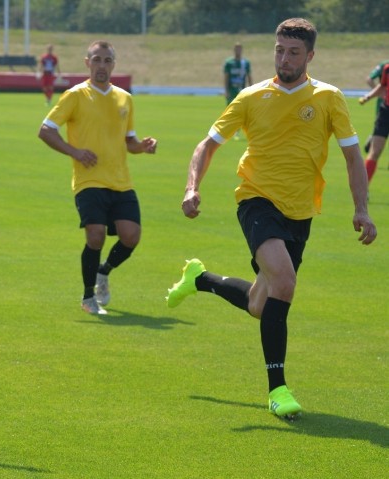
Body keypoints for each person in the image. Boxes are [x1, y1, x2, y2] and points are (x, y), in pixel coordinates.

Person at [165, 18, 376, 420]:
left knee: (261, 304)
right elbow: (206, 145)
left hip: (301, 211)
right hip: (256, 199)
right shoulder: (250, 96)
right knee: (284, 280)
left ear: (310, 55)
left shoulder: (329, 98)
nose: (284, 57)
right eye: (279, 49)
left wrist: (361, 208)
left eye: (294, 51)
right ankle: (277, 389)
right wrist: (192, 186)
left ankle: (200, 280)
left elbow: (352, 156)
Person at [37, 40, 158, 315]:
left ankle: (104, 271)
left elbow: (129, 141)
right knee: (96, 235)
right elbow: (46, 130)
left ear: (113, 64)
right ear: (87, 62)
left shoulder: (125, 98)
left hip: (120, 180)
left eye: (107, 60)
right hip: (88, 180)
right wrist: (75, 152)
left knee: (131, 236)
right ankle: (88, 297)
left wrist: (143, 147)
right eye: (96, 59)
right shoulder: (75, 96)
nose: (101, 65)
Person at [359, 61, 389, 181]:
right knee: (374, 151)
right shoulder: (387, 68)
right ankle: (363, 189)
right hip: (386, 112)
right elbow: (382, 86)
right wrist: (368, 97)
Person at [362, 60, 387, 155]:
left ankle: (373, 139)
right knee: (381, 126)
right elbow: (369, 79)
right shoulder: (385, 66)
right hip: (384, 104)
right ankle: (373, 139)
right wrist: (380, 92)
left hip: (384, 104)